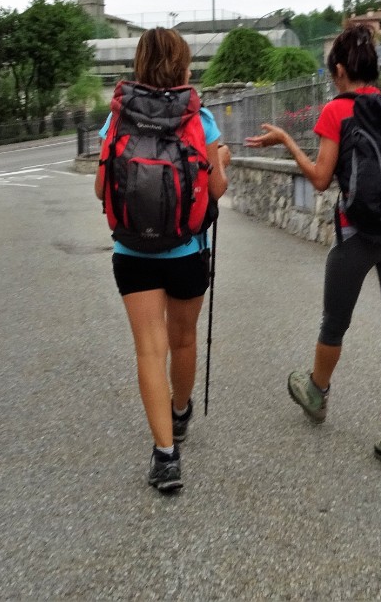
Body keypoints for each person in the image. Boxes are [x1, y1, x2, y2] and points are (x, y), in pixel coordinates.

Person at [243, 25, 381, 473]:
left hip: (357, 233)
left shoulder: (337, 110)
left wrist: (287, 142)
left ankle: (317, 392)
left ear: (340, 70)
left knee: (334, 321)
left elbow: (322, 179)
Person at [95, 28, 231, 492]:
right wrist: (223, 162)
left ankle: (165, 457)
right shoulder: (201, 119)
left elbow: (100, 189)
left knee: (149, 350)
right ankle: (179, 414)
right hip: (187, 250)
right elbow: (214, 190)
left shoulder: (117, 119)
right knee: (184, 340)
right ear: (181, 66)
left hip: (132, 251)